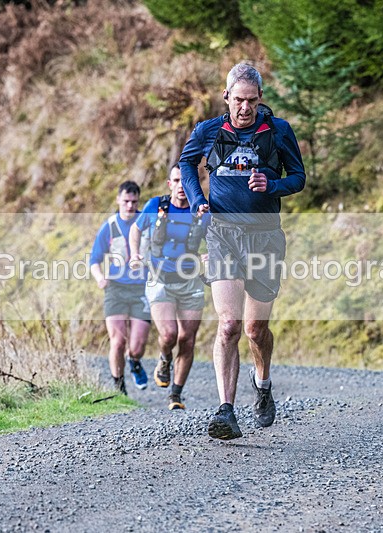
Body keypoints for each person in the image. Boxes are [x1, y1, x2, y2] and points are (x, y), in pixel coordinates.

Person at [179, 63, 306, 439]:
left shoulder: (278, 131)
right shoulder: (209, 131)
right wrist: (197, 200)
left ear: (260, 99)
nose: (245, 108)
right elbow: (186, 163)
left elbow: (298, 178)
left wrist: (272, 184)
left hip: (265, 236)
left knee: (255, 328)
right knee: (230, 324)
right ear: (226, 97)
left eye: (251, 101)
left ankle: (263, 384)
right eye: (238, 100)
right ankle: (225, 411)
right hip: (222, 234)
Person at [128, 164, 211, 410]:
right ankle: (164, 359)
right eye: (176, 181)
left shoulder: (203, 212)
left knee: (187, 339)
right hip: (160, 277)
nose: (181, 187)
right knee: (169, 334)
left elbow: (217, 240)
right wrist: (134, 254)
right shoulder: (156, 206)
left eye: (185, 181)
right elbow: (135, 228)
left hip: (190, 279)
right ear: (170, 183)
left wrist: (210, 256)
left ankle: (175, 394)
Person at [90, 181, 151, 395]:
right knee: (117, 341)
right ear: (118, 200)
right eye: (125, 201)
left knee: (137, 345)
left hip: (142, 289)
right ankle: (119, 387)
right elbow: (94, 260)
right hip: (115, 289)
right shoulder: (109, 226)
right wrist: (100, 278)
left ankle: (134, 361)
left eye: (134, 202)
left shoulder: (146, 222)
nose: (130, 206)